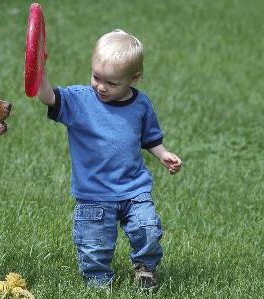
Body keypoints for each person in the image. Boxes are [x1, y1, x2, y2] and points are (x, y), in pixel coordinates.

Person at [37, 29, 182, 291]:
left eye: (112, 83)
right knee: (94, 244)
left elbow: (149, 137)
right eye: (96, 77)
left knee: (147, 230)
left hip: (134, 189)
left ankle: (145, 268)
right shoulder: (79, 100)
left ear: (133, 79)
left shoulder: (141, 105)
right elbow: (48, 97)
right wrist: (40, 72)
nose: (101, 87)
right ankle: (97, 281)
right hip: (94, 193)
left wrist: (163, 154)